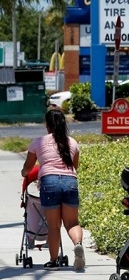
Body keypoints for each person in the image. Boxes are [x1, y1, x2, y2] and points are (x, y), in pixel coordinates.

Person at [21, 108, 85, 271]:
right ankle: (78, 245)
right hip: (70, 181)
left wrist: (24, 173)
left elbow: (27, 168)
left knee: (54, 225)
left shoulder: (38, 142)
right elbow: (74, 166)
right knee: (72, 223)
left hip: (49, 183)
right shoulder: (72, 142)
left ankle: (53, 260)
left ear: (47, 125)